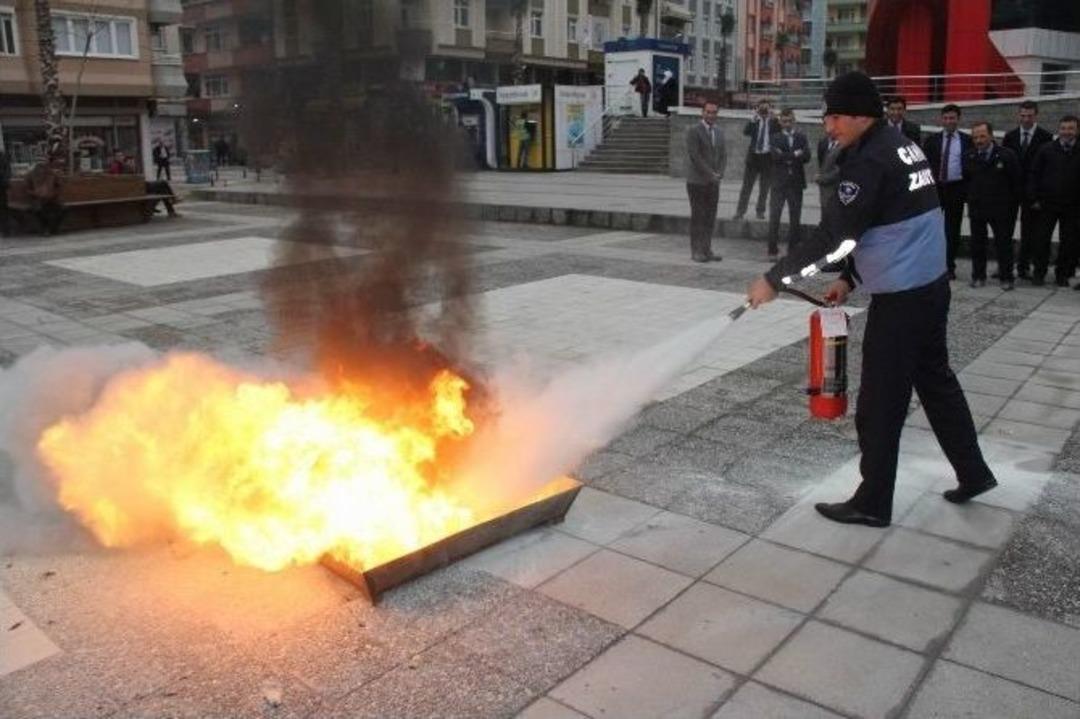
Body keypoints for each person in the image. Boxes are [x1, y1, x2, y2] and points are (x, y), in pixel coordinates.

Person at [746, 71, 997, 527]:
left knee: (880, 405)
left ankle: (873, 502)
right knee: (937, 384)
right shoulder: (902, 145)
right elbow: (889, 223)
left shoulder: (868, 163)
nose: (829, 127)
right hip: (929, 286)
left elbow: (834, 238)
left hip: (903, 300)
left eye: (836, 117)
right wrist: (850, 277)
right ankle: (974, 472)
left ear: (862, 116)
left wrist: (774, 279)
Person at [962, 122, 1022, 290]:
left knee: (1003, 244)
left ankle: (1006, 278)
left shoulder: (1006, 155)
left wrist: (1012, 205)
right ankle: (978, 276)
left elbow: (1016, 181)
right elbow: (966, 180)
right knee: (977, 244)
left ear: (991, 136)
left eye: (982, 136)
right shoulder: (968, 155)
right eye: (975, 137)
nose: (979, 140)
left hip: (1001, 209)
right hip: (977, 207)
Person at [1003, 100, 1054, 281]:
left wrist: (1038, 195)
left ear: (1036, 116)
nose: (1025, 119)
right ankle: (1005, 265)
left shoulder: (1045, 137)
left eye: (1029, 116)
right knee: (1005, 230)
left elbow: (1046, 168)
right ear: (1019, 115)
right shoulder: (1010, 136)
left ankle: (1024, 266)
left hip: (1033, 193)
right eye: (1023, 115)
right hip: (1011, 192)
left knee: (1029, 232)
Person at [1028, 115, 1080, 288]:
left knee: (1069, 241)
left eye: (1070, 128)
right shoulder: (1046, 149)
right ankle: (1039, 273)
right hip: (1046, 204)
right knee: (1041, 240)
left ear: (1077, 130)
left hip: (1072, 205)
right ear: (1059, 129)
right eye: (1063, 128)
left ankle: (1062, 274)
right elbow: (1034, 174)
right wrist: (1034, 198)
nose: (1066, 132)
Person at [923, 104, 972, 280]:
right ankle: (930, 265)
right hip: (935, 189)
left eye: (952, 118)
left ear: (958, 119)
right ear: (941, 119)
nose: (949, 121)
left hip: (956, 188)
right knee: (931, 228)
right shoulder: (932, 141)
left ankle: (949, 266)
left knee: (952, 229)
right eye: (946, 118)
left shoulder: (967, 141)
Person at [684, 100, 727, 263]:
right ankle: (696, 251)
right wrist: (710, 174)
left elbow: (723, 155)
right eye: (708, 112)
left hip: (714, 182)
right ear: (702, 113)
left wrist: (720, 173)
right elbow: (695, 156)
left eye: (714, 112)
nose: (711, 115)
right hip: (697, 182)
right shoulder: (694, 131)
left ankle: (706, 249)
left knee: (710, 217)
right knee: (698, 217)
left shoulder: (719, 132)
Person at [766, 108, 810, 259]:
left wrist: (785, 155)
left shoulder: (801, 137)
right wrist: (795, 154)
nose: (788, 124)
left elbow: (807, 156)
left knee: (795, 217)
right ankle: (772, 250)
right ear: (780, 122)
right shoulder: (774, 138)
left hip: (796, 183)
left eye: (790, 121)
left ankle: (793, 249)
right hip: (779, 183)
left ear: (794, 121)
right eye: (784, 121)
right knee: (775, 216)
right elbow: (775, 157)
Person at [734, 99, 780, 220]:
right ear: (758, 109)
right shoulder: (755, 121)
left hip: (767, 158)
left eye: (766, 108)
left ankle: (760, 211)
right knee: (746, 187)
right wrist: (753, 119)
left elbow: (780, 133)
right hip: (753, 158)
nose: (764, 111)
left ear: (770, 109)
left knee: (764, 188)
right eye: (761, 108)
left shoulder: (774, 122)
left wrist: (775, 118)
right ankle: (740, 211)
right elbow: (746, 132)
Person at [25, 158, 64, 236]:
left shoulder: (52, 173)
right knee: (39, 210)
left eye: (43, 164)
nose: (42, 167)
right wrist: (36, 193)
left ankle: (54, 228)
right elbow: (27, 189)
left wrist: (54, 194)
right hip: (37, 199)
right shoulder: (30, 175)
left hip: (52, 198)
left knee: (63, 209)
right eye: (40, 164)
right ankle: (45, 229)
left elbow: (59, 186)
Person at [816, 132, 843, 209]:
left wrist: (823, 178)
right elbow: (821, 163)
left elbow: (841, 168)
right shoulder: (823, 143)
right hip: (825, 190)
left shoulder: (845, 144)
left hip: (838, 186)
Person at [0, 147, 11, 237]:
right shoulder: (2, 156)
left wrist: (5, 181)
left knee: (3, 209)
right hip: (2, 185)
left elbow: (6, 171)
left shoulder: (2, 156)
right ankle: (5, 230)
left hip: (1, 186)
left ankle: (5, 230)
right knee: (3, 209)